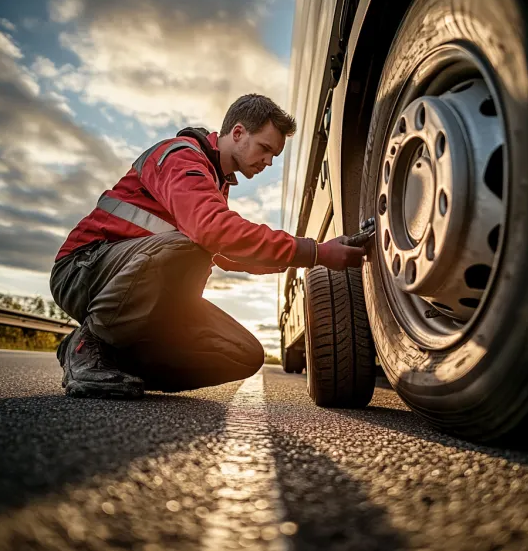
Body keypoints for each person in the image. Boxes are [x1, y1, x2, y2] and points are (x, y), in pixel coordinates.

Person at [50, 94, 366, 399]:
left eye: (274, 156)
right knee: (193, 243)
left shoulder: (216, 180)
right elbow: (212, 232)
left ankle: (111, 363)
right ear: (238, 132)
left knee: (245, 354)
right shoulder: (181, 156)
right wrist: (315, 251)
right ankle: (87, 344)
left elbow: (227, 253)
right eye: (265, 149)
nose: (269, 162)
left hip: (133, 286)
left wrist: (309, 259)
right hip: (82, 271)